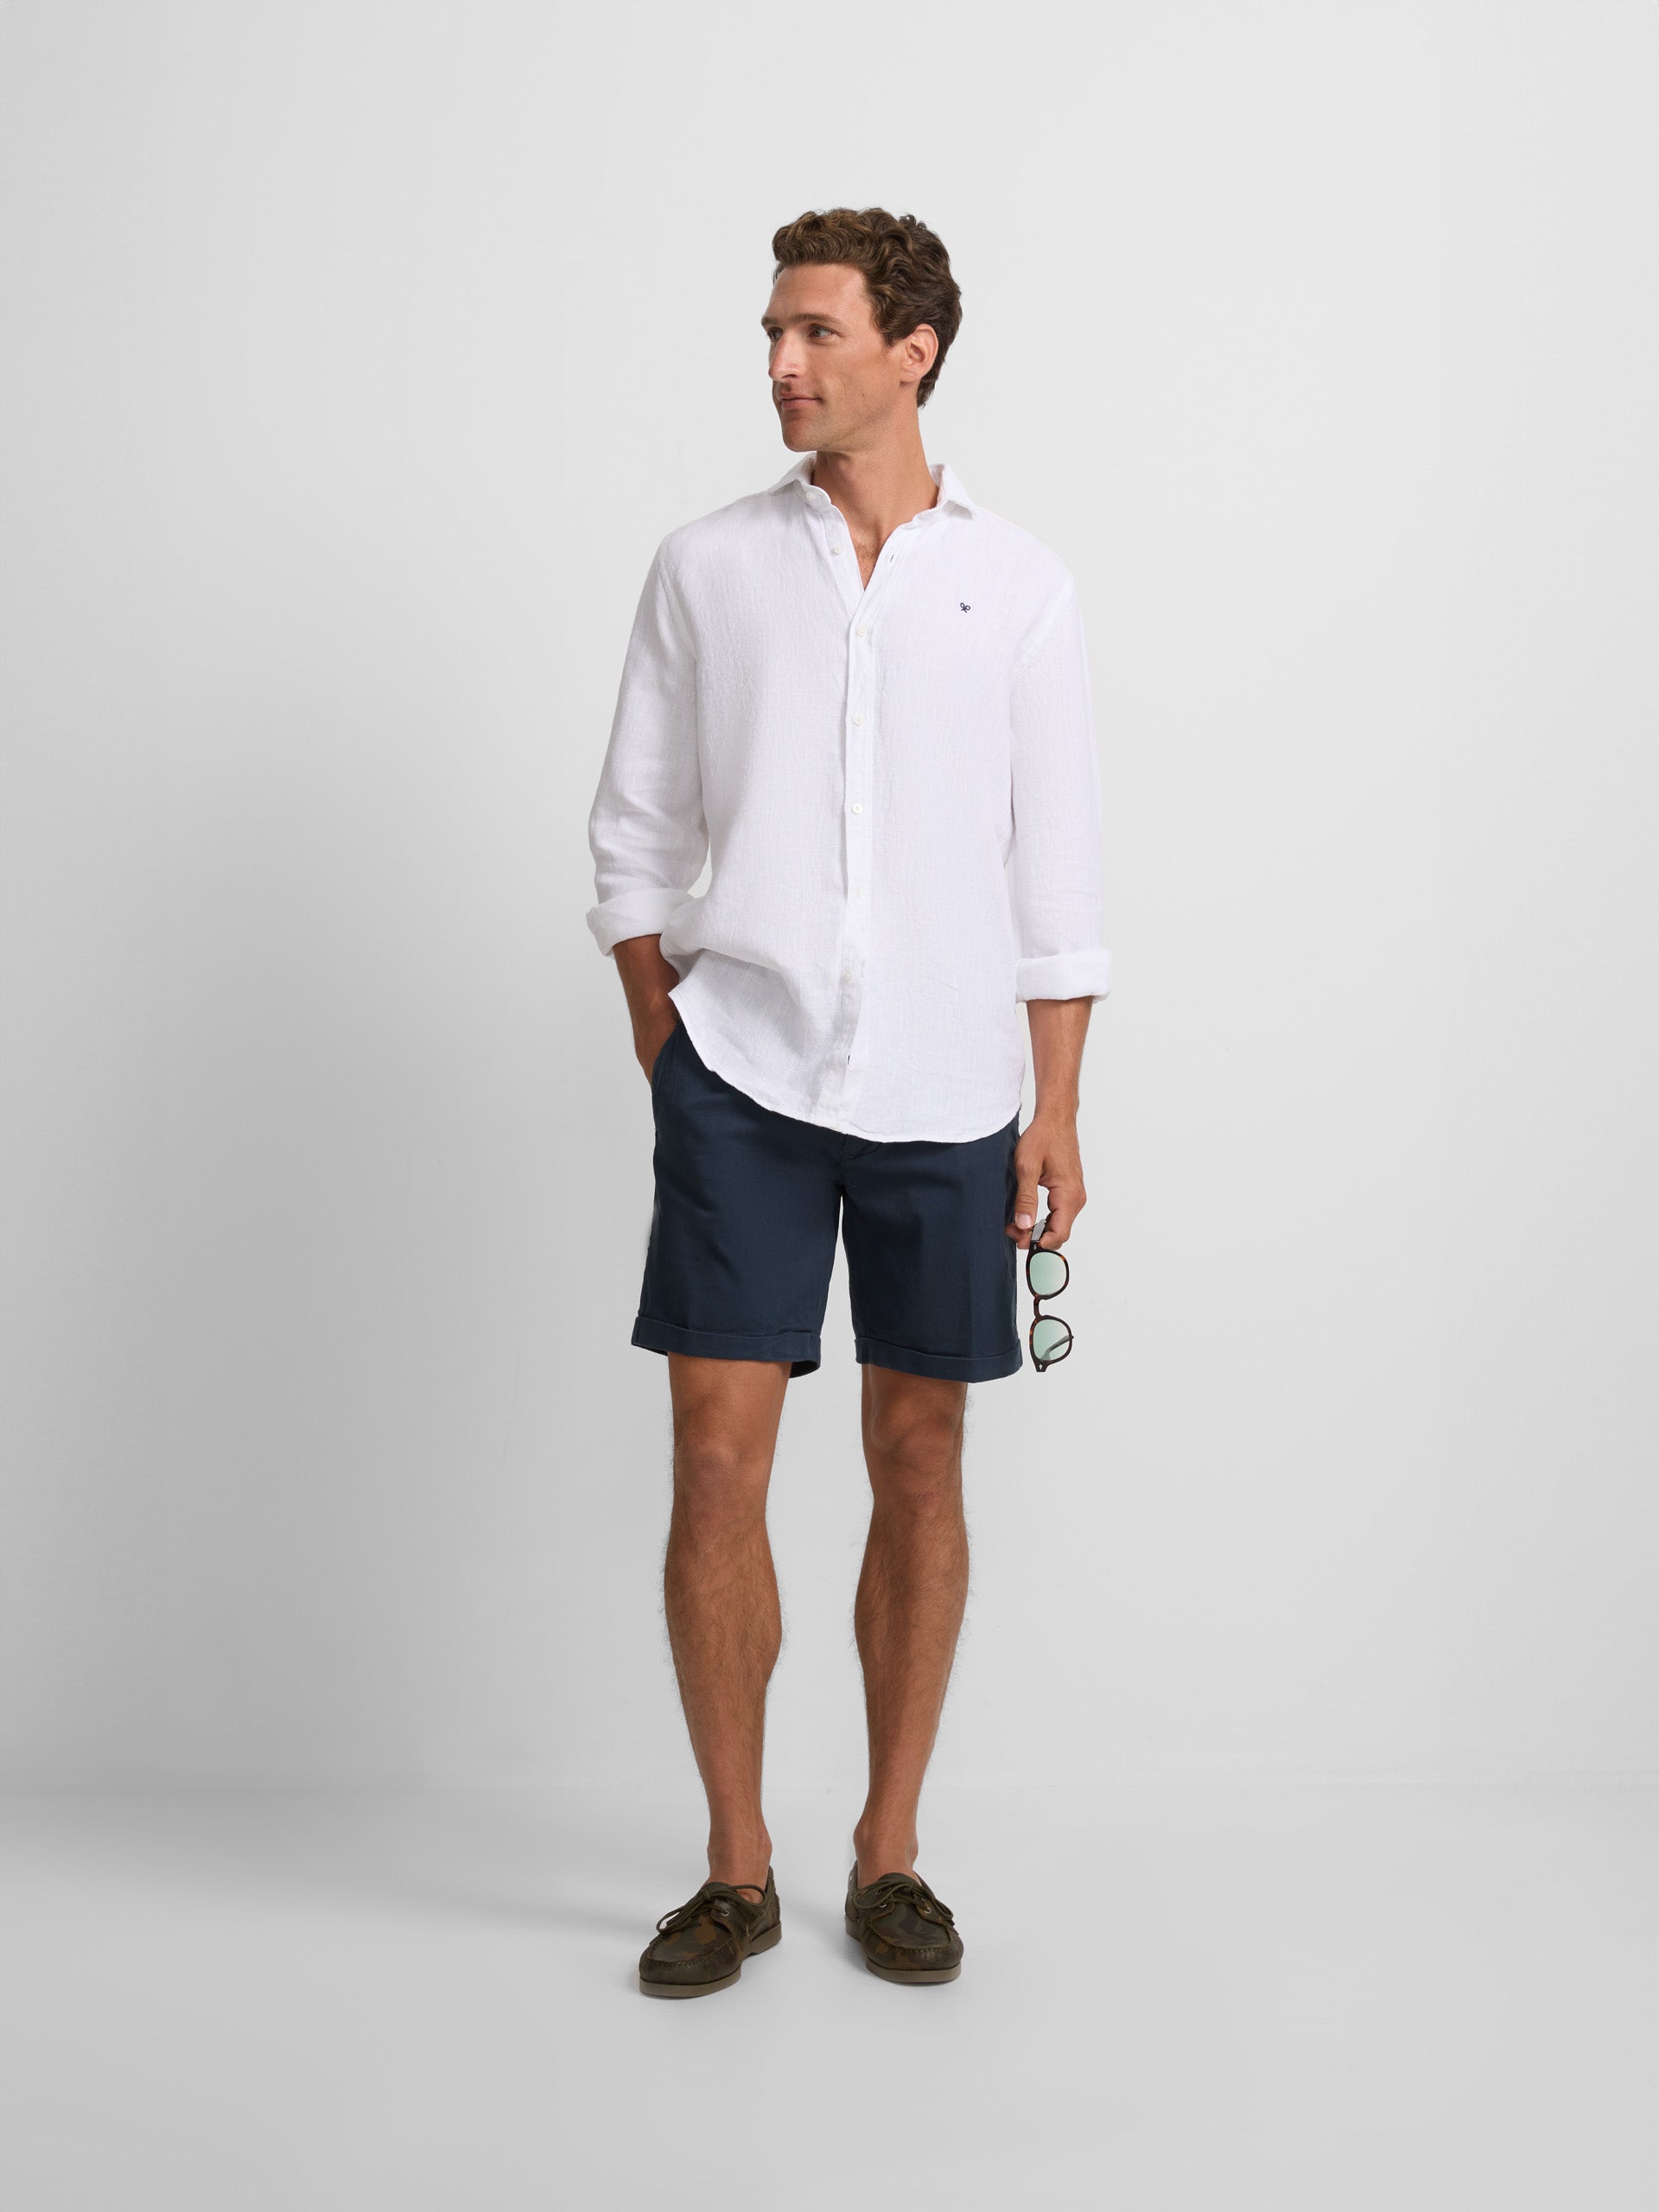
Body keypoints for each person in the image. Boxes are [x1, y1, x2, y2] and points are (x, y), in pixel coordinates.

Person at [584, 207, 1110, 1998]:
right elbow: (633, 832)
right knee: (714, 1454)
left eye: (815, 331)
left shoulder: (1020, 586)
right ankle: (735, 1866)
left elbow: (1059, 871)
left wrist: (1056, 1105)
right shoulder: (709, 566)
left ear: (914, 349)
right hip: (741, 1074)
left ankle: (891, 1851)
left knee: (919, 1453)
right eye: (770, 332)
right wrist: (665, 1037)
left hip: (953, 1085)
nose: (782, 364)